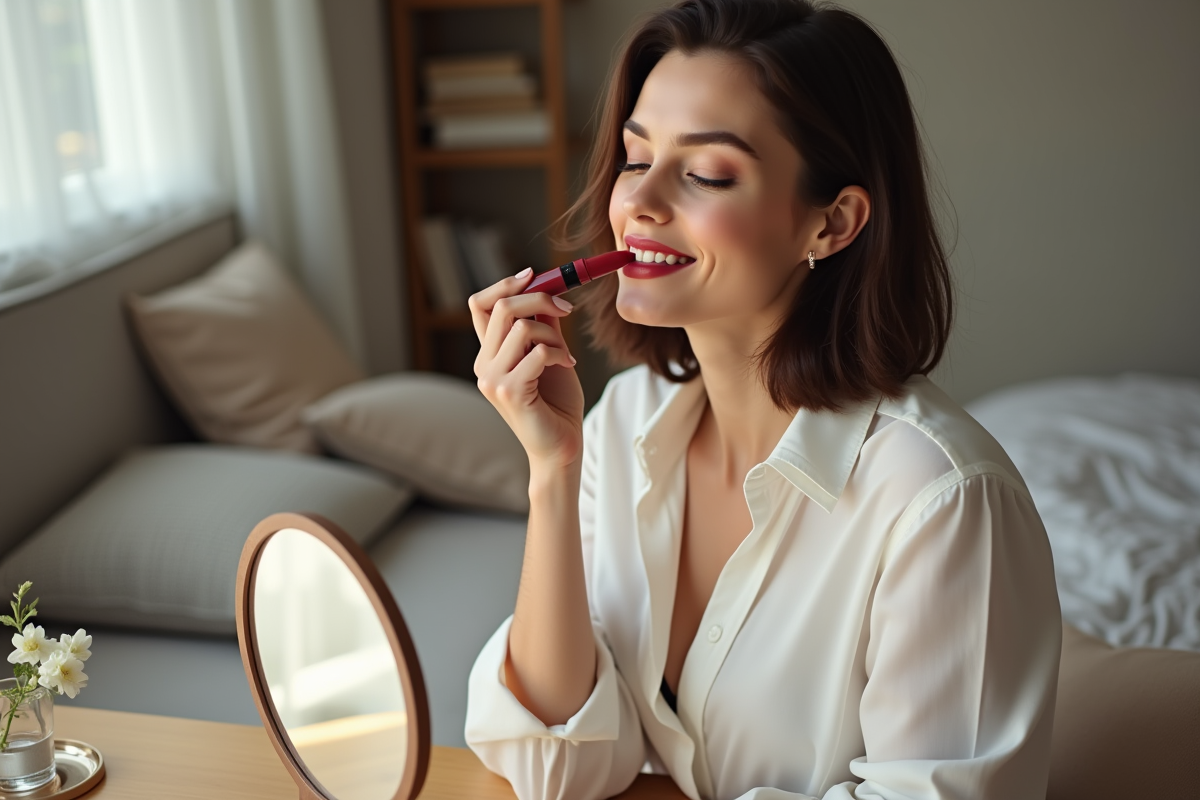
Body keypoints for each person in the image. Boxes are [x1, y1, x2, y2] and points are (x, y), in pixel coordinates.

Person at [463, 1, 1061, 798]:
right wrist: (552, 469)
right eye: (636, 159)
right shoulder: (623, 424)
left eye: (706, 173)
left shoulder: (942, 501)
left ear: (832, 223)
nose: (639, 201)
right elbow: (558, 764)